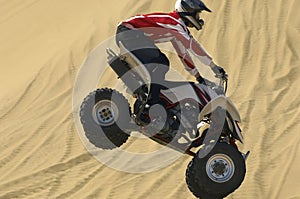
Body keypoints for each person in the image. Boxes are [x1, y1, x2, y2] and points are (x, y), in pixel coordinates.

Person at [116, 0, 226, 105]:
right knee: (161, 62)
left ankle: (146, 96)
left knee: (156, 67)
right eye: (197, 14)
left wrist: (198, 77)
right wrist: (214, 67)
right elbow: (193, 47)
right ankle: (151, 103)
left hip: (131, 35)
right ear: (189, 12)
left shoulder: (176, 30)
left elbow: (184, 56)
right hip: (128, 32)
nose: (199, 18)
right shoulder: (175, 22)